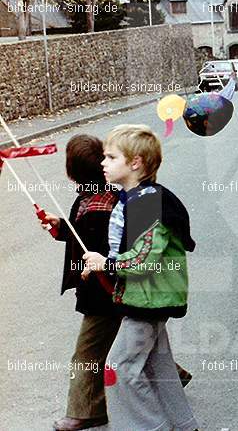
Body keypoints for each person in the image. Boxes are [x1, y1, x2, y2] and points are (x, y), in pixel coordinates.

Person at [81, 124, 197, 431]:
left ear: (136, 163)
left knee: (117, 370)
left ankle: (152, 427)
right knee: (159, 368)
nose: (102, 163)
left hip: (148, 300)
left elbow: (144, 259)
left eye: (110, 157)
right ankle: (184, 425)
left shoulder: (147, 203)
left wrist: (105, 264)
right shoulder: (134, 198)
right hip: (149, 297)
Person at [41, 135, 119, 431]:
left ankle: (86, 411)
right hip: (112, 290)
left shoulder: (96, 208)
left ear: (71, 169)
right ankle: (173, 376)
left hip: (103, 293)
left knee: (87, 353)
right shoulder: (96, 196)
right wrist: (61, 226)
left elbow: (96, 247)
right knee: (135, 336)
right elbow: (79, 234)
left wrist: (93, 273)